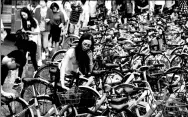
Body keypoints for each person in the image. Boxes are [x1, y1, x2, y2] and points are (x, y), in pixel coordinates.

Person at [15, 7, 40, 78]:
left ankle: (36, 71)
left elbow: (37, 32)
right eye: (22, 15)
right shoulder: (23, 21)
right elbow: (22, 29)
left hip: (32, 42)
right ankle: (19, 76)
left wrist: (29, 32)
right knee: (22, 58)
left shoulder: (34, 20)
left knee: (33, 58)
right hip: (25, 41)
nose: (23, 17)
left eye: (24, 15)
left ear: (28, 13)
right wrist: (22, 31)